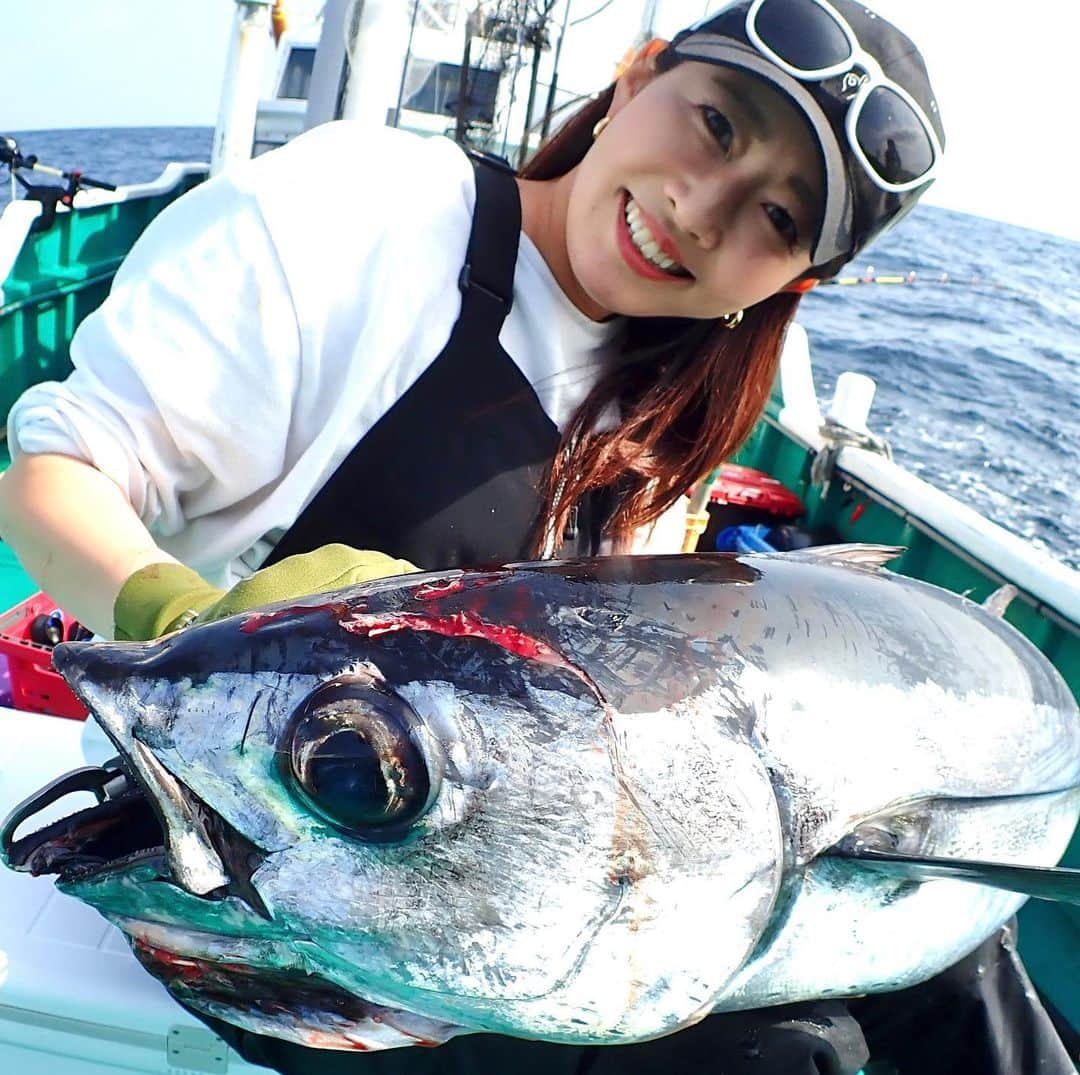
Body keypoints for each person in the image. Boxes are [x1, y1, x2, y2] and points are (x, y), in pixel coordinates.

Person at [0, 1, 1072, 1072]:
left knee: (961, 960)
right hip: (260, 872)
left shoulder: (674, 406)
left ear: (795, 282)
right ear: (638, 73)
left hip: (523, 877)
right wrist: (173, 610)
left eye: (778, 218)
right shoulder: (363, 212)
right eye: (717, 124)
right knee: (788, 1052)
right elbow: (51, 478)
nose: (703, 210)